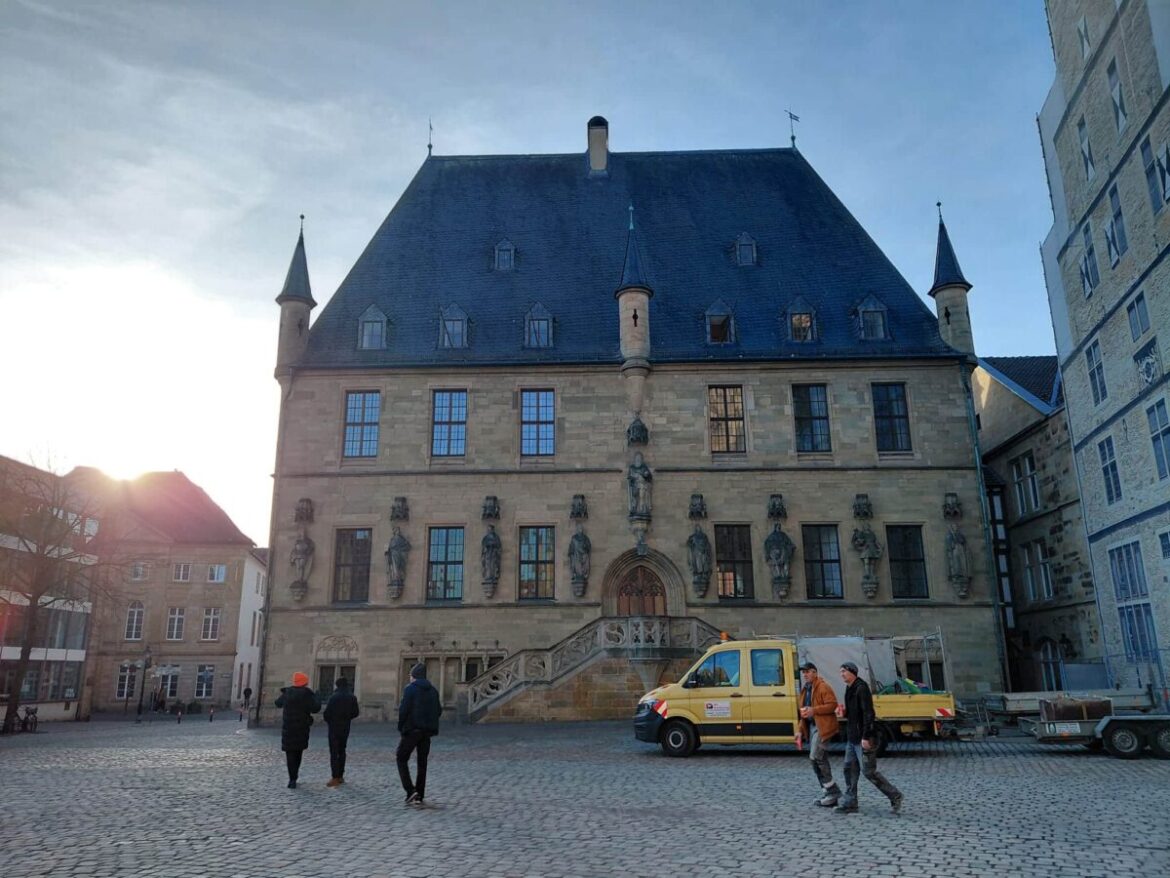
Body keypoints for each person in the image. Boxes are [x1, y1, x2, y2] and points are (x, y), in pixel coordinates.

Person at [835, 662, 902, 814]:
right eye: (841, 672)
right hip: (852, 738)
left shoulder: (861, 688)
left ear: (853, 672)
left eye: (844, 671)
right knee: (849, 769)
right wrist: (843, 712)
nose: (842, 674)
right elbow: (854, 713)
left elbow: (868, 714)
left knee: (868, 772)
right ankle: (850, 802)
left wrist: (866, 736)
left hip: (863, 737)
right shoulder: (849, 688)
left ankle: (895, 795)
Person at [795, 662, 842, 807]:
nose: (805, 675)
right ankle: (829, 791)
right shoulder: (805, 689)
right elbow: (803, 713)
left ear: (815, 672)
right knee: (815, 759)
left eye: (807, 672)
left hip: (823, 727)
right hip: (812, 727)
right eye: (803, 672)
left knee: (816, 757)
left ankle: (832, 792)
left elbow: (832, 705)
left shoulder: (823, 686)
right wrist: (799, 731)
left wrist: (813, 710)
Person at [396, 662, 443, 806]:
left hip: (412, 730)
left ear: (414, 676)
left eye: (410, 675)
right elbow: (439, 711)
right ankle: (420, 794)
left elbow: (403, 710)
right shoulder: (433, 691)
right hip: (427, 732)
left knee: (401, 758)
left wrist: (401, 726)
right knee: (422, 763)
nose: (409, 678)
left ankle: (410, 791)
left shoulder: (410, 689)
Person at [275, 671, 321, 789]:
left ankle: (292, 778)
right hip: (301, 728)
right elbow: (315, 708)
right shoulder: (306, 694)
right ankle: (295, 776)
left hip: (288, 728)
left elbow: (278, 703)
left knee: (290, 753)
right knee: (298, 752)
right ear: (304, 683)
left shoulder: (287, 693)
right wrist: (317, 697)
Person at [323, 677, 360, 788]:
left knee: (334, 752)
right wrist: (347, 718)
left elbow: (326, 713)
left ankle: (335, 777)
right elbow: (356, 713)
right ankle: (340, 776)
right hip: (345, 727)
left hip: (334, 727)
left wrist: (331, 720)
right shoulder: (352, 697)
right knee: (342, 750)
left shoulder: (334, 697)